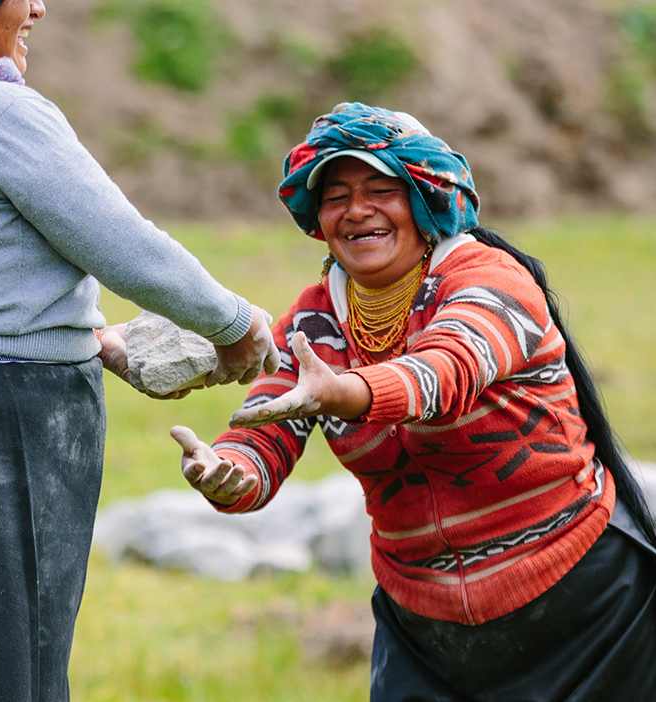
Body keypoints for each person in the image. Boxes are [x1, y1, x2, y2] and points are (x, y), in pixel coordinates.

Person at [172, 102, 656, 701]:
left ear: (427, 198)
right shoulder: (316, 318)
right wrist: (227, 472)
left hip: (580, 609)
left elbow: (444, 372)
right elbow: (267, 426)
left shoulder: (489, 279)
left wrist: (350, 392)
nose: (357, 211)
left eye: (382, 189)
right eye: (336, 196)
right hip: (424, 629)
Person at [0, 2, 280, 700]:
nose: (38, 5)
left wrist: (90, 337)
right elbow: (126, 249)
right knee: (9, 654)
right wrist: (237, 327)